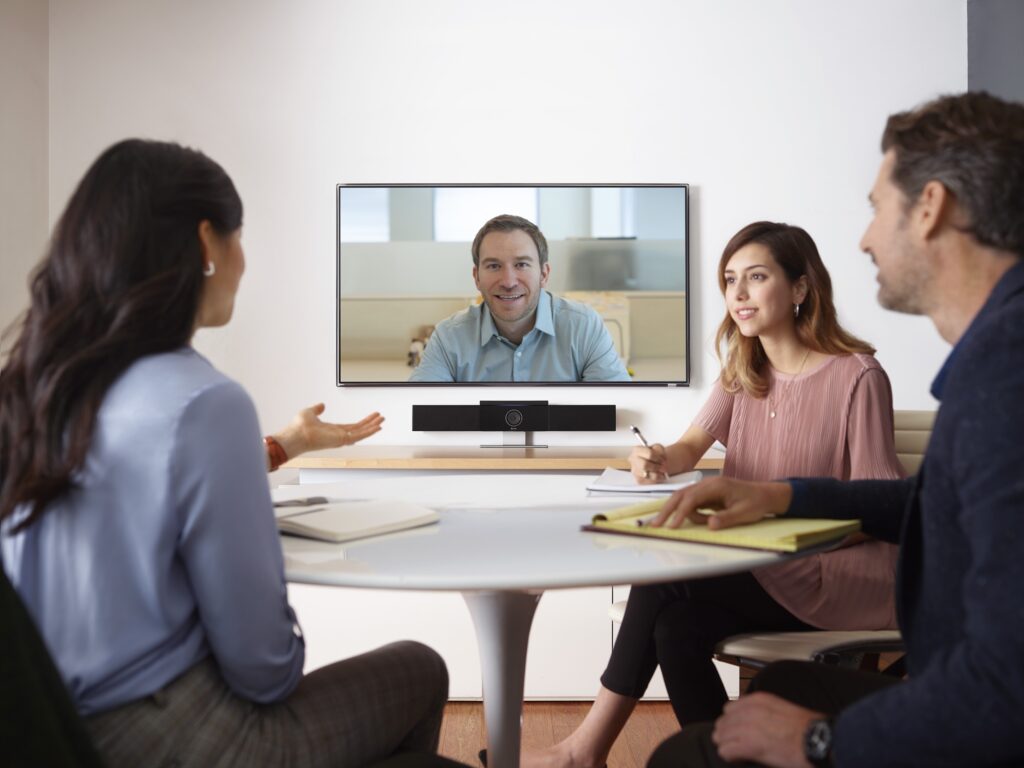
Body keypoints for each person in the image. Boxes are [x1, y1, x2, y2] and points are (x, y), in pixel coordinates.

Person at [0, 139, 449, 768]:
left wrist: (280, 445)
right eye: (239, 238)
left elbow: (130, 484)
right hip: (164, 731)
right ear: (206, 243)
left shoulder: (34, 384)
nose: (243, 260)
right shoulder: (204, 400)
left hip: (41, 728)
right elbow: (264, 672)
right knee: (420, 669)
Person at [647, 91, 1024, 768]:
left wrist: (818, 742)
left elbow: (1005, 687)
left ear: (932, 207)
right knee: (780, 684)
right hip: (941, 678)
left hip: (967, 715)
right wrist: (779, 495)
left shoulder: (1006, 379)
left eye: (879, 207)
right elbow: (922, 500)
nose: (864, 238)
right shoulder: (993, 359)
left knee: (684, 756)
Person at [521, 221, 905, 768]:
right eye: (729, 280)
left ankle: (584, 750)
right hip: (763, 567)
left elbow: (881, 507)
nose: (739, 295)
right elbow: (686, 448)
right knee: (676, 627)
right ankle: (729, 757)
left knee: (664, 581)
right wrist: (654, 458)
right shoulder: (742, 373)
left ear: (800, 289)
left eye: (756, 277)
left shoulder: (857, 377)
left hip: (835, 576)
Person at [407, 214, 630, 382]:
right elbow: (415, 413)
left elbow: (619, 413)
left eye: (521, 264)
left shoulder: (583, 327)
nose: (509, 281)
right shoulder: (449, 337)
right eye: (494, 266)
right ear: (476, 277)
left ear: (544, 274)